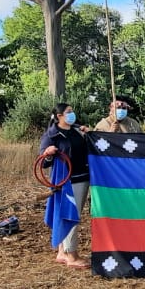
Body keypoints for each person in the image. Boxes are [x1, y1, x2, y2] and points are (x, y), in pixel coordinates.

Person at [38, 103, 92, 268]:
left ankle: (62, 251)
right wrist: (48, 154)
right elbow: (44, 162)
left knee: (66, 213)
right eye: (69, 112)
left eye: (72, 111)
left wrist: (89, 135)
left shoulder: (77, 131)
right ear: (59, 116)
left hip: (82, 177)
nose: (72, 114)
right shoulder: (51, 135)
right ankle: (71, 254)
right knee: (71, 215)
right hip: (67, 182)